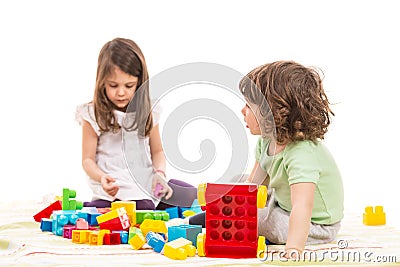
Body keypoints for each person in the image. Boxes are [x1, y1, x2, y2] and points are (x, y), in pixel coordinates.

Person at [189, 60, 344, 258]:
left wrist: (294, 248)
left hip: (315, 223)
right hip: (282, 201)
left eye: (248, 105)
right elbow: (252, 186)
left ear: (275, 112)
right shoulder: (266, 142)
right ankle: (218, 215)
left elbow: (302, 206)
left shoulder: (302, 155)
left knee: (267, 224)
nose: (242, 111)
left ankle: (222, 220)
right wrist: (231, 204)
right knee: (238, 179)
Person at [75, 37, 196, 210]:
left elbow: (158, 150)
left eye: (129, 85)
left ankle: (173, 196)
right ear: (102, 82)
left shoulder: (149, 111)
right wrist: (101, 177)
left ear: (139, 83)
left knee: (146, 212)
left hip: (139, 189)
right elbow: (87, 159)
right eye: (113, 85)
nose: (121, 92)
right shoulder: (92, 114)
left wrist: (159, 173)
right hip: (108, 191)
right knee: (99, 217)